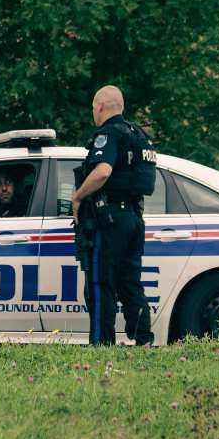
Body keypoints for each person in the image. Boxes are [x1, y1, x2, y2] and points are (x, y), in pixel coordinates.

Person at [71, 85, 157, 346]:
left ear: (100, 107)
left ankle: (101, 345)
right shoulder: (139, 136)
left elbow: (103, 171)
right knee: (130, 283)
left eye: (93, 108)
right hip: (134, 218)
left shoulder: (108, 134)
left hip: (109, 220)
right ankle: (143, 340)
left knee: (100, 284)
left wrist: (77, 197)